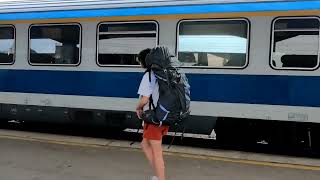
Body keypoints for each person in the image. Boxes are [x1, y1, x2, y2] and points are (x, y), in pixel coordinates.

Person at [136, 48, 169, 180]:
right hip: (162, 115)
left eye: (140, 61)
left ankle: (160, 178)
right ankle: (157, 175)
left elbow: (145, 98)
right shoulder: (162, 73)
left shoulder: (149, 75)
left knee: (157, 152)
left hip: (154, 118)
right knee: (145, 144)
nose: (139, 64)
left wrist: (138, 107)